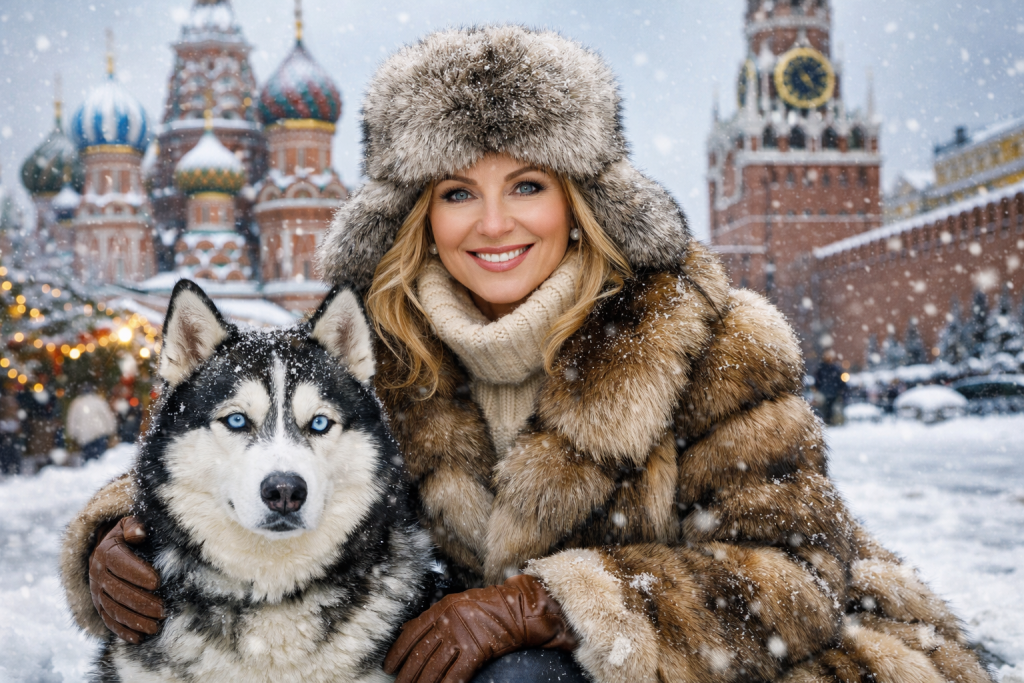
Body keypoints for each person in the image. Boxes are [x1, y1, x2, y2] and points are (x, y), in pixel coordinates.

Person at [61, 26, 990, 683]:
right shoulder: (381, 346)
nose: (495, 224)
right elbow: (228, 429)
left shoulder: (705, 337)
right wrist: (116, 539)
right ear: (419, 213)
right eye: (458, 192)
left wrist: (550, 604)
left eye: (528, 185)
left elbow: (795, 576)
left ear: (580, 199)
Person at [67, 384, 117, 462]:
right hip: (99, 433)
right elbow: (107, 416)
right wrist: (111, 429)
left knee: (88, 460)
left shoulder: (76, 403)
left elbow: (72, 421)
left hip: (84, 436)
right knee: (101, 459)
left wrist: (73, 434)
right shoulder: (98, 401)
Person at [814, 349, 845, 425]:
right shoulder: (822, 368)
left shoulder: (835, 369)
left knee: (831, 408)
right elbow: (817, 380)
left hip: (832, 392)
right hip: (825, 392)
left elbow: (841, 381)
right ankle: (828, 421)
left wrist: (841, 389)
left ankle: (830, 421)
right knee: (826, 408)